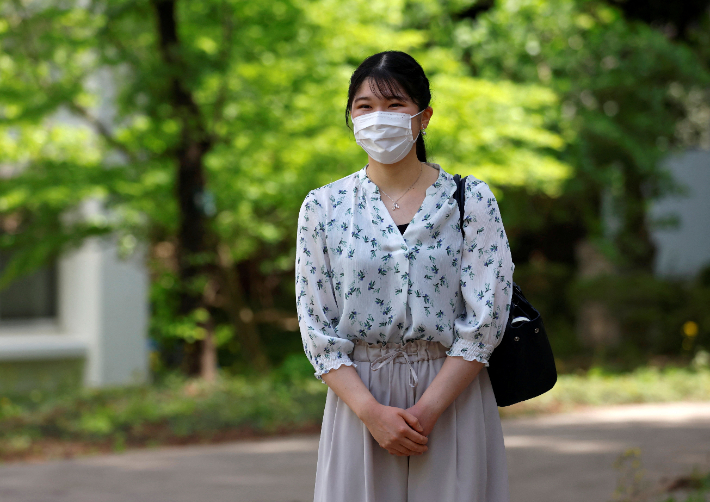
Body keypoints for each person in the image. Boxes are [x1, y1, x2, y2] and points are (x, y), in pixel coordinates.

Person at [295, 50, 515, 502]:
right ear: (350, 118)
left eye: (395, 105)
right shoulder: (323, 207)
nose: (380, 118)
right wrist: (372, 413)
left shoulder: (470, 200)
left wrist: (428, 411)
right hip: (359, 397)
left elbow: (487, 318)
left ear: (423, 116)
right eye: (365, 106)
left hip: (452, 393)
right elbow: (316, 326)